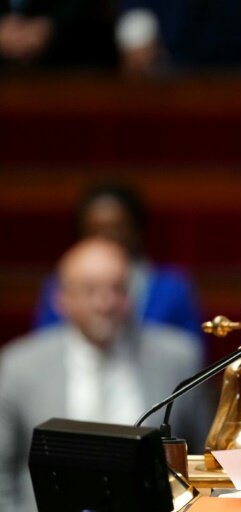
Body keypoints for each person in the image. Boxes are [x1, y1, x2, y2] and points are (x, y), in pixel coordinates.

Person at [0, 237, 210, 512]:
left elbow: (205, 459)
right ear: (61, 299)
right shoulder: (20, 366)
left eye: (117, 289)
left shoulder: (178, 358)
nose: (105, 303)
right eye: (90, 291)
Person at [34, 182, 203, 340]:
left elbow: (190, 351)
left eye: (116, 229)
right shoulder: (62, 285)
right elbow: (45, 346)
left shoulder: (173, 289)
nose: (106, 238)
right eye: (95, 230)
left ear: (137, 230)